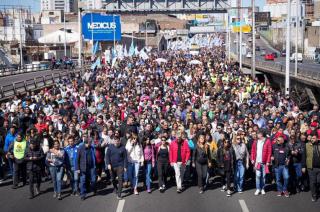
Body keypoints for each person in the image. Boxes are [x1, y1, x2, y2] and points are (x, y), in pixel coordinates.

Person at [251, 130, 272, 196]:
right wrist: (252, 159)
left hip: (264, 162)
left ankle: (262, 188)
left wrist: (268, 161)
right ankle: (258, 188)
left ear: (261, 134)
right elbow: (253, 151)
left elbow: (269, 152)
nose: (257, 135)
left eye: (258, 134)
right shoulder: (255, 141)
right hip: (257, 162)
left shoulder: (267, 141)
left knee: (263, 176)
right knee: (258, 176)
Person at [76, 133, 97, 200]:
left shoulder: (92, 148)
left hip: (92, 167)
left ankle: (93, 189)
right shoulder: (80, 148)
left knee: (93, 180)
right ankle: (83, 194)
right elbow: (77, 159)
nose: (91, 143)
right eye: (90, 142)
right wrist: (77, 168)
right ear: (86, 143)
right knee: (83, 181)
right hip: (83, 168)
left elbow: (94, 156)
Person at [303, 134, 320, 202]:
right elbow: (304, 156)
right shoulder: (307, 145)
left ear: (317, 139)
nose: (312, 139)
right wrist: (303, 166)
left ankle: (316, 191)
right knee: (313, 182)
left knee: (318, 182)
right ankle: (314, 195)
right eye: (311, 138)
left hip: (319, 168)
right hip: (311, 168)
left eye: (313, 138)